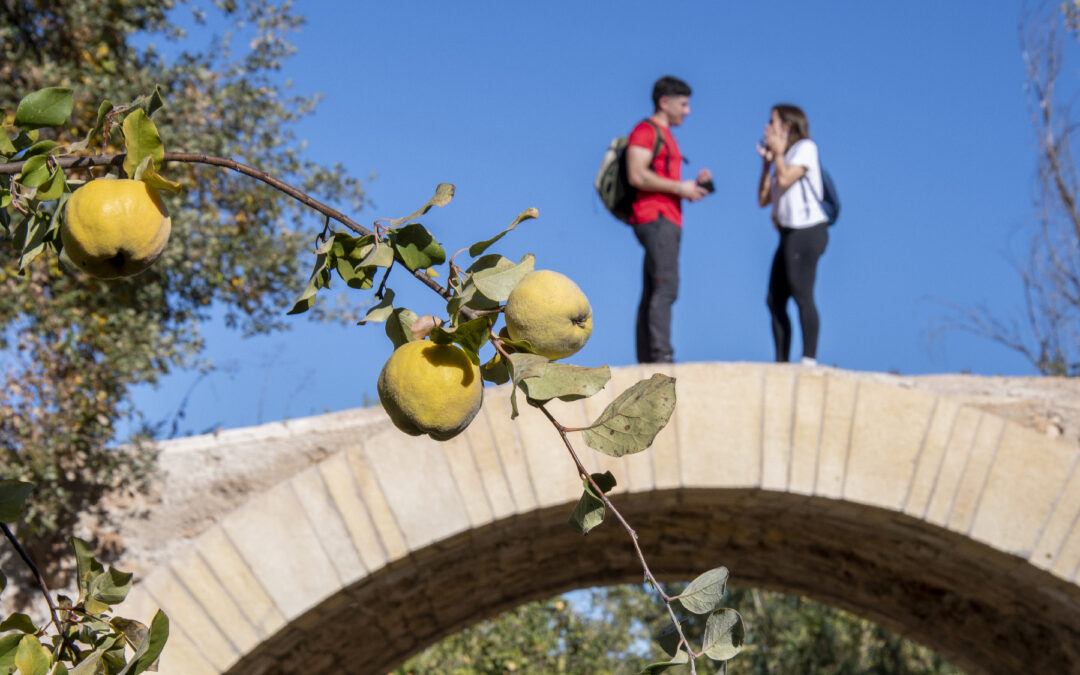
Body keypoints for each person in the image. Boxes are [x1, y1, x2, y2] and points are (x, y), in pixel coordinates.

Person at [626, 75, 712, 364]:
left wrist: (691, 185)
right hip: (656, 218)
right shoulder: (646, 131)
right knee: (666, 286)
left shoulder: (666, 136)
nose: (688, 111)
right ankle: (661, 356)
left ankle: (648, 357)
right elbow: (636, 174)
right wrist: (679, 188)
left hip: (665, 217)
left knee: (654, 286)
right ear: (665, 102)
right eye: (684, 104)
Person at [756, 104, 829, 366]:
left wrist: (777, 153)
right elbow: (763, 199)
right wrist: (767, 165)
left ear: (787, 125)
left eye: (772, 121)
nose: (767, 127)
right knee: (774, 299)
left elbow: (786, 179)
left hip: (807, 230)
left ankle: (809, 359)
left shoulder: (805, 148)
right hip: (787, 234)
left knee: (802, 292)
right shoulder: (782, 157)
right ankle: (781, 362)